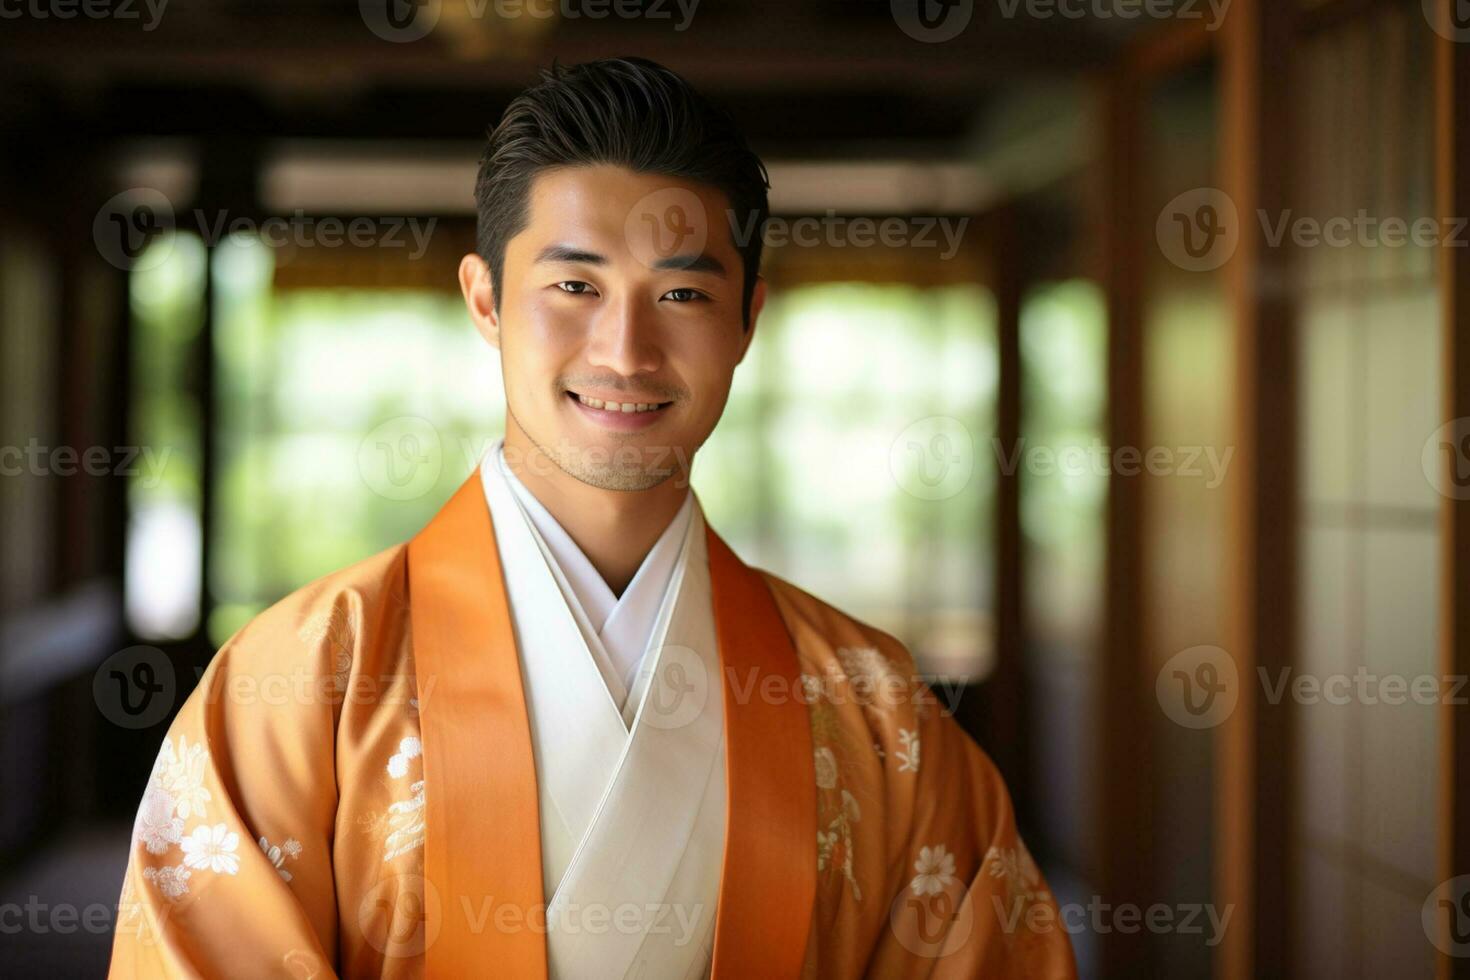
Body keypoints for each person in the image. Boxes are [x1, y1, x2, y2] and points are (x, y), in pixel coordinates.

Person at [108, 56, 1077, 979]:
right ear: (485, 299)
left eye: (685, 292)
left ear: (748, 320)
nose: (626, 348)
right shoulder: (298, 685)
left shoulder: (874, 712)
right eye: (574, 285)